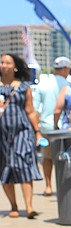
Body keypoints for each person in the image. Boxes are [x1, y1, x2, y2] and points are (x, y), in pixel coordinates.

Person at [0, 51, 42, 217]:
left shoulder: (24, 87)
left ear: (15, 67)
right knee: (4, 168)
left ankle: (29, 207)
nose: (4, 65)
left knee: (23, 162)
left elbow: (30, 111)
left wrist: (37, 132)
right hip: (2, 134)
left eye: (8, 63)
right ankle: (14, 206)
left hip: (22, 131)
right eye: (2, 62)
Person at [33, 55, 71, 194]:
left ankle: (48, 186)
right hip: (66, 128)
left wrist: (36, 130)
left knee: (47, 157)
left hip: (46, 127)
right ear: (65, 69)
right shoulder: (69, 84)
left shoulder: (43, 83)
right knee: (66, 158)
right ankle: (64, 186)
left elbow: (35, 109)